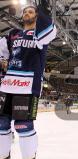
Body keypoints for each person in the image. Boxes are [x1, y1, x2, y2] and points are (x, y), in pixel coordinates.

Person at [0, 2, 57, 158]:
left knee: (23, 126)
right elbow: (2, 48)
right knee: (1, 125)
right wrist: (2, 59)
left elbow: (51, 31)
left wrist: (44, 9)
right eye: (25, 11)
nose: (27, 13)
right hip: (7, 86)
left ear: (36, 16)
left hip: (27, 87)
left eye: (31, 11)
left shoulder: (39, 35)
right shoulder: (13, 33)